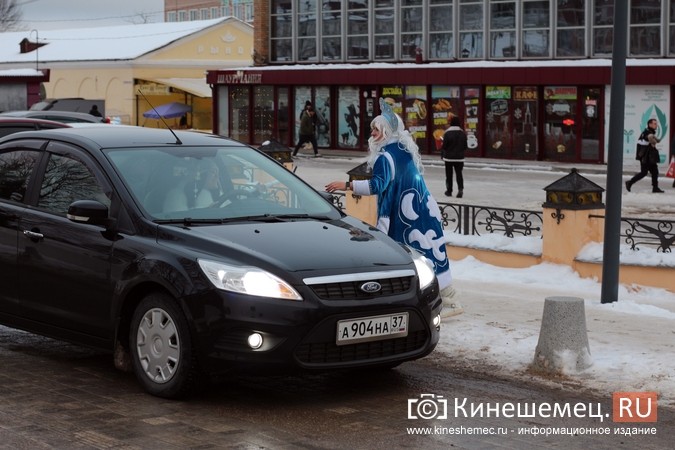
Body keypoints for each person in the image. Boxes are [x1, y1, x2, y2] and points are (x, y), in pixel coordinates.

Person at [325, 98, 462, 318]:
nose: (372, 134)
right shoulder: (404, 149)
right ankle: (448, 299)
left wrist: (347, 185)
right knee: (430, 250)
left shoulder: (385, 156)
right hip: (423, 208)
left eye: (376, 130)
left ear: (387, 130)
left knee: (407, 255)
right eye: (372, 129)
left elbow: (377, 185)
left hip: (403, 215)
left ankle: (422, 302)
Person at [626, 118, 664, 193]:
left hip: (648, 156)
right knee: (644, 172)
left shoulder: (649, 131)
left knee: (654, 171)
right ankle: (630, 182)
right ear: (650, 124)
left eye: (656, 124)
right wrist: (653, 141)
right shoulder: (647, 132)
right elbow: (648, 137)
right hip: (646, 157)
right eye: (654, 124)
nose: (656, 125)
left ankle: (655, 187)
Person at [441, 115, 468, 198]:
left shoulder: (447, 133)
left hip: (448, 158)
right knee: (459, 174)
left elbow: (444, 146)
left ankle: (449, 191)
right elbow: (465, 146)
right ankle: (460, 189)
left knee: (449, 175)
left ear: (451, 123)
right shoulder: (463, 133)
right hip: (459, 158)